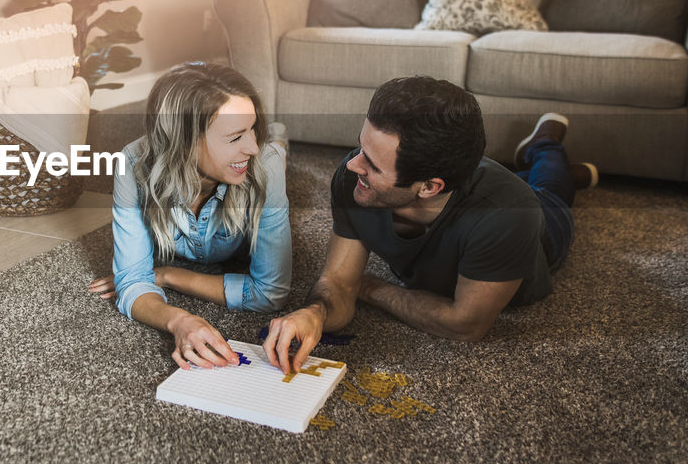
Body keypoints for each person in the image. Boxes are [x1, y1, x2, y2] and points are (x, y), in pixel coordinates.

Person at [263, 75, 597, 373]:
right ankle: (567, 169)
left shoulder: (510, 215)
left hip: (543, 224)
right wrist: (315, 313)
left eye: (373, 165)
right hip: (475, 184)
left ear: (429, 187)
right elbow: (336, 281)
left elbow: (465, 325)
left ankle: (545, 144)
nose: (353, 165)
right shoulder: (355, 178)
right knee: (529, 183)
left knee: (549, 189)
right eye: (361, 148)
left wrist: (366, 286)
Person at [89, 62, 291, 370]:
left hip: (272, 163)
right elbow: (131, 283)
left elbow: (269, 293)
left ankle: (277, 138)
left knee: (273, 154)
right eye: (236, 136)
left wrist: (169, 275)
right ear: (183, 142)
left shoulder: (264, 163)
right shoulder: (130, 164)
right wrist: (178, 320)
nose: (251, 145)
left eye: (252, 129)